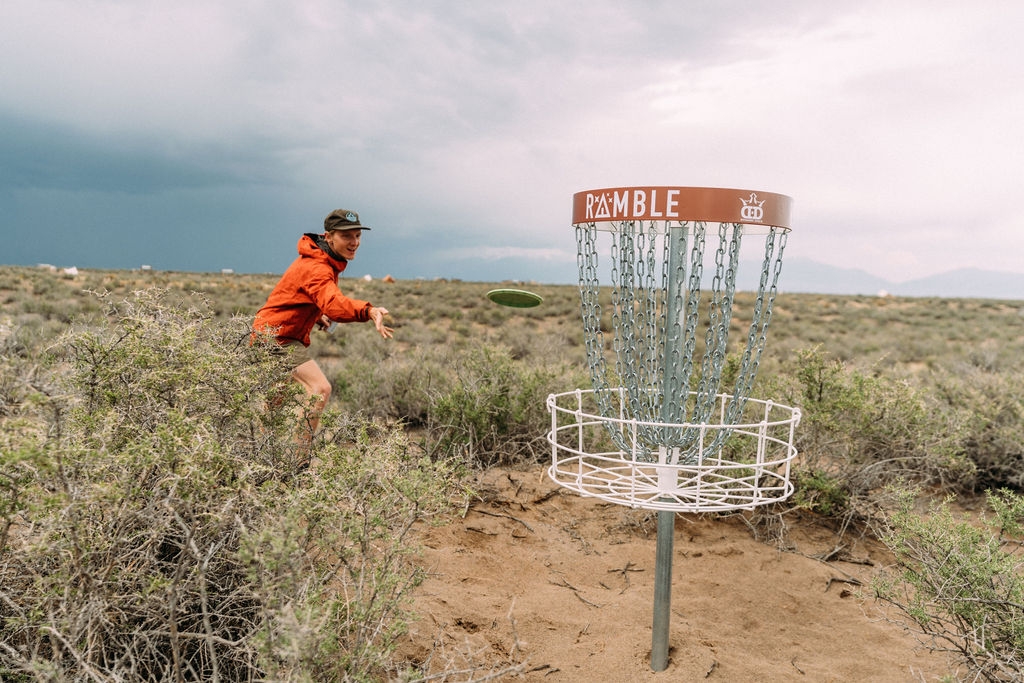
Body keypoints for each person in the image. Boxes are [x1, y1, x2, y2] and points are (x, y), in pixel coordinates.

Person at [254, 208, 393, 467]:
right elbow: (333, 303)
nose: (354, 243)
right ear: (329, 237)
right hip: (276, 337)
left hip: (272, 330)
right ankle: (298, 464)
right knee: (319, 388)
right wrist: (368, 310)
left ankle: (262, 458)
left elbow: (294, 295)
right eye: (346, 236)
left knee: (275, 400)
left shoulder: (320, 259)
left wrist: (314, 315)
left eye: (357, 236)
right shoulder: (317, 266)